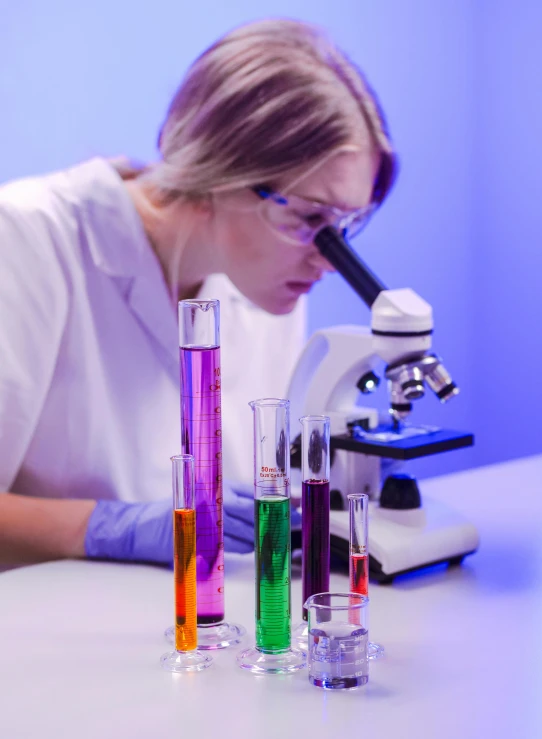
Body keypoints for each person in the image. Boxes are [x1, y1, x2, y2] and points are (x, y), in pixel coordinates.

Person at [0, 18, 396, 569]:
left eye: (344, 227)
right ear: (219, 173)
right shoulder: (25, 238)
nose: (327, 259)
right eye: (311, 219)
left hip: (198, 626)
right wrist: (107, 528)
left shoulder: (268, 283)